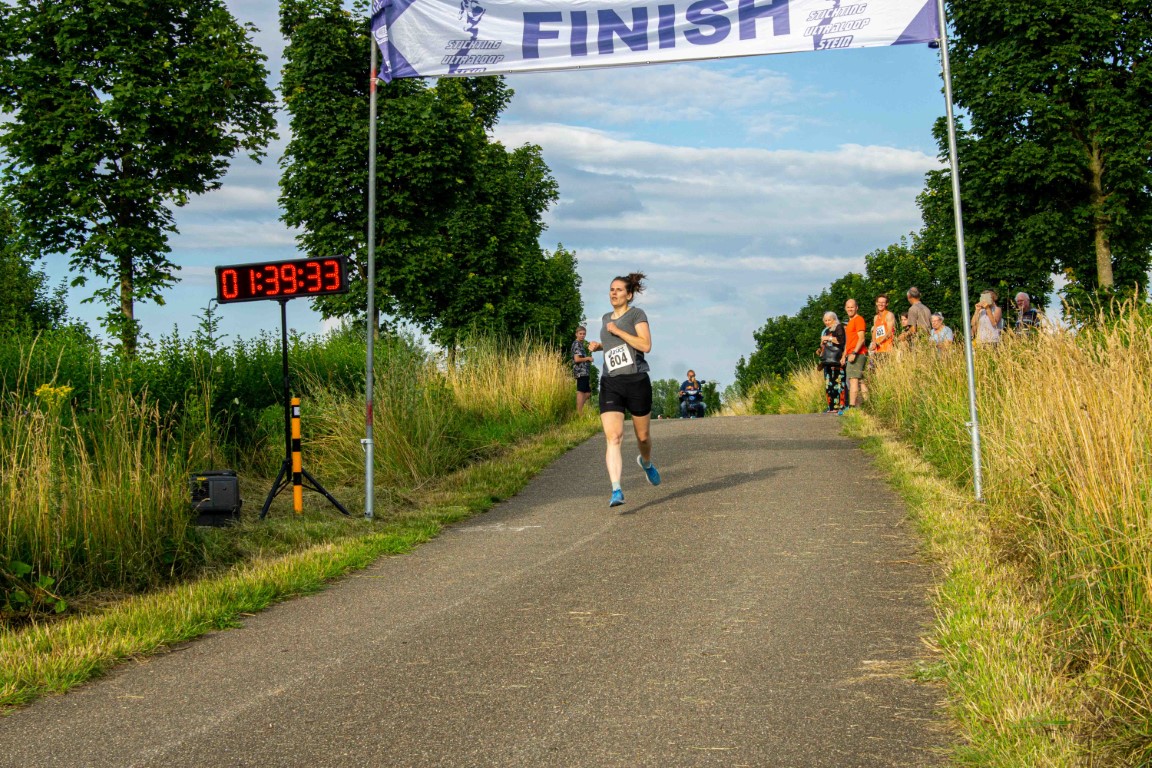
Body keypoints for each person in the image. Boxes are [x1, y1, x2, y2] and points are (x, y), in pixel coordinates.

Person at [585, 272, 660, 508]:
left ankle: (646, 462)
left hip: (636, 380)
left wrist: (618, 331)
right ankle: (616, 489)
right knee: (614, 436)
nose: (614, 293)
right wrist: (600, 346)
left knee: (643, 437)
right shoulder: (606, 318)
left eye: (618, 290)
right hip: (611, 382)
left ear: (629, 295)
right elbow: (614, 347)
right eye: (611, 289)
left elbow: (645, 345)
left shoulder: (637, 315)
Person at [839, 298, 867, 413]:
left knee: (853, 380)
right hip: (851, 353)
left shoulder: (858, 319)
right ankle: (865, 406)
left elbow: (861, 338)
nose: (850, 309)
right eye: (848, 307)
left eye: (852, 307)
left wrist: (854, 353)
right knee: (860, 381)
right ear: (845, 308)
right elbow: (849, 342)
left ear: (856, 308)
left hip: (858, 354)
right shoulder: (850, 322)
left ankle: (852, 407)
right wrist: (844, 355)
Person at [818, 311, 846, 413]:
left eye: (829, 320)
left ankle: (840, 406)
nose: (827, 322)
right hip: (827, 361)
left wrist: (828, 338)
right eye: (825, 320)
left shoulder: (838, 327)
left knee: (838, 382)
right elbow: (824, 345)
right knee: (829, 383)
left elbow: (841, 341)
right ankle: (831, 407)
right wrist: (821, 346)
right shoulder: (825, 331)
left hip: (836, 360)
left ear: (834, 319)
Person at [570, 326, 594, 416]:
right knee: (581, 391)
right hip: (580, 372)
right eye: (580, 334)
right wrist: (587, 358)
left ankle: (578, 409)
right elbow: (576, 359)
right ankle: (579, 412)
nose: (582, 335)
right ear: (576, 334)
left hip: (585, 372)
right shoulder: (576, 344)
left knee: (587, 393)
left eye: (584, 334)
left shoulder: (581, 344)